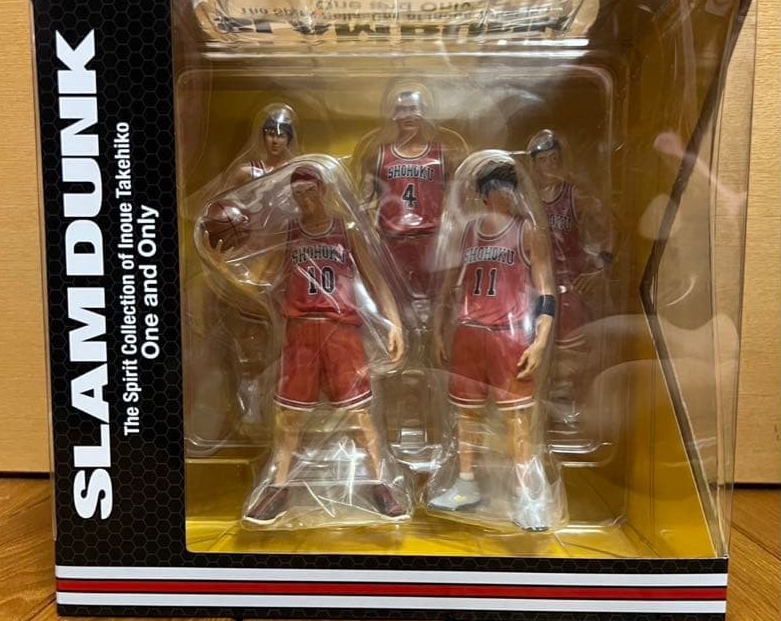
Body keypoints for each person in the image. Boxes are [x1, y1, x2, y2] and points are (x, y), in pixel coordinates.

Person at [200, 163, 407, 525]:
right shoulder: (290, 232)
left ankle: (380, 483)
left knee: (360, 416)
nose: (305, 199)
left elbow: (377, 281)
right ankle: (279, 487)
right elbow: (258, 284)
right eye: (298, 194)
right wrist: (220, 266)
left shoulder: (346, 231)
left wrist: (396, 325)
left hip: (341, 331)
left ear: (323, 190)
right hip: (300, 331)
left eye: (310, 191)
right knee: (289, 418)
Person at [427, 158, 560, 530]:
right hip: (468, 332)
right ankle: (465, 483)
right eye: (499, 188)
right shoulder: (467, 231)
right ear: (485, 194)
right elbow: (448, 287)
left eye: (510, 188)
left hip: (508, 334)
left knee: (518, 419)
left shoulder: (526, 231)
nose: (507, 195)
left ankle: (527, 495)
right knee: (465, 415)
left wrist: (540, 340)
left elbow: (546, 291)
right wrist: (437, 329)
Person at [527, 129, 611, 425]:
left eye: (554, 159)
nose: (549, 165)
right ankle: (534, 411)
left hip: (568, 286)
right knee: (529, 350)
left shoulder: (574, 195)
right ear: (534, 164)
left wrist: (602, 264)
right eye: (543, 160)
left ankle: (565, 411)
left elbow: (611, 226)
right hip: (532, 289)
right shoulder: (525, 200)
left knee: (567, 357)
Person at [360, 89, 462, 305]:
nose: (408, 115)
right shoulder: (378, 155)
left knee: (436, 302)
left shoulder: (442, 155)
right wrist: (370, 240)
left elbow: (456, 202)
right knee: (392, 301)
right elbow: (363, 205)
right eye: (402, 109)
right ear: (393, 115)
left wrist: (451, 237)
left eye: (413, 109)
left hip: (430, 240)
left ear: (424, 113)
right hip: (392, 241)